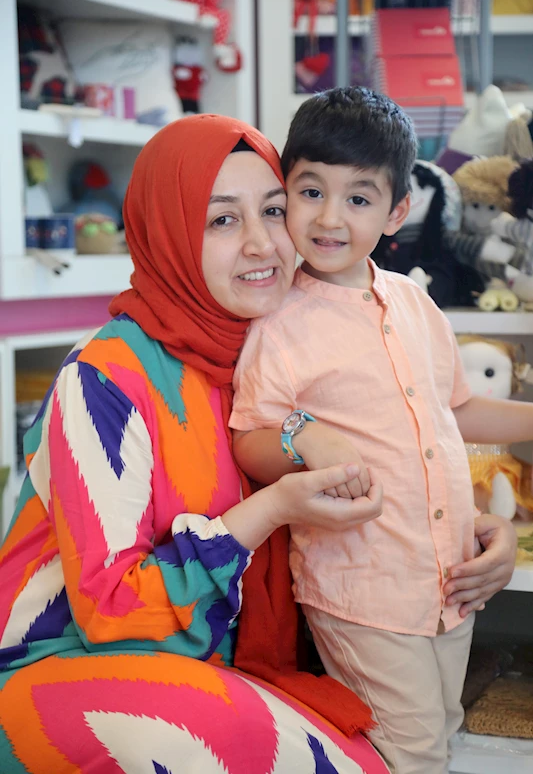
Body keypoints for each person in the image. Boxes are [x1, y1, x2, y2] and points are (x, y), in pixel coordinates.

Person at [0, 115, 390, 773]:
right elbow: (109, 612)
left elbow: (396, 449)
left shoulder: (277, 351)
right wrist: (271, 509)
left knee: (374, 746)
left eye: (273, 211)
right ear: (169, 234)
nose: (262, 244)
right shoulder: (104, 377)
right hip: (65, 664)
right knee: (226, 733)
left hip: (219, 661)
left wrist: (466, 539)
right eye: (222, 220)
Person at [229, 87, 520, 774]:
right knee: (409, 754)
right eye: (310, 192)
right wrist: (302, 433)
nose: (330, 217)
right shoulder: (278, 321)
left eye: (357, 198)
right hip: (361, 589)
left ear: (395, 212)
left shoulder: (414, 302)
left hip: (448, 581)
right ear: (284, 192)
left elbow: (456, 410)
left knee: (441, 731)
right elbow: (250, 439)